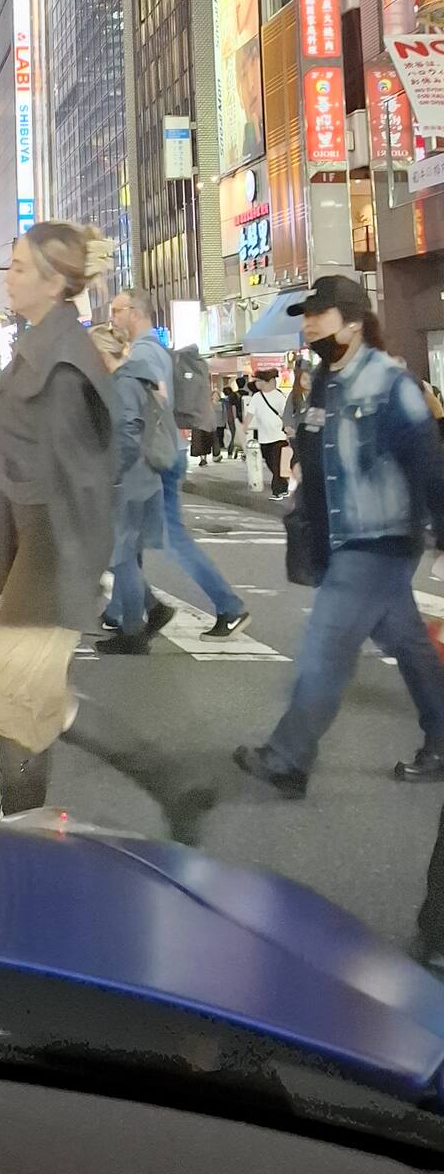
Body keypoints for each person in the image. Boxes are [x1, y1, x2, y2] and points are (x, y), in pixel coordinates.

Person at [236, 276, 444, 800]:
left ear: (352, 322)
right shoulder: (326, 380)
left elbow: (430, 465)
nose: (309, 326)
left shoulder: (390, 385)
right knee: (409, 644)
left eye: (318, 316)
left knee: (326, 645)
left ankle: (288, 758)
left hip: (380, 539)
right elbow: (316, 454)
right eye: (305, 317)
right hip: (346, 539)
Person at [0, 222, 116, 812]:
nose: (6, 278)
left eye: (17, 267)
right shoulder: (40, 347)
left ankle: (25, 831)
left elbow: (80, 485)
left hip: (48, 553)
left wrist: (71, 580)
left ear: (55, 281)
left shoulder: (61, 364)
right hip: (32, 547)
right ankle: (159, 772)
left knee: (17, 704)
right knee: (33, 700)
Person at [108, 290, 249, 638]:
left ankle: (228, 606)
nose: (112, 318)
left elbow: (154, 405)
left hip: (157, 456)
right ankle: (121, 611)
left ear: (136, 313)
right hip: (164, 452)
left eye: (117, 310)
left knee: (169, 537)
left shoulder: (143, 353)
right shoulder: (153, 350)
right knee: (129, 537)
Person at [95, 327, 176, 656]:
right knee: (122, 553)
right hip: (141, 476)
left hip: (129, 478)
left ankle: (133, 631)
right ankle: (151, 609)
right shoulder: (136, 379)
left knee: (120, 555)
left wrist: (113, 471)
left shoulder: (124, 382)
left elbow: (128, 430)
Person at [244, 369, 288, 495]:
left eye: (259, 380)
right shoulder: (257, 397)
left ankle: (277, 491)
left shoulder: (279, 396)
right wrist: (245, 426)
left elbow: (286, 414)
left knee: (276, 464)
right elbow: (250, 414)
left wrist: (289, 428)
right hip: (264, 438)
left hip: (279, 437)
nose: (256, 383)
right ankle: (283, 484)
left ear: (268, 382)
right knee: (270, 463)